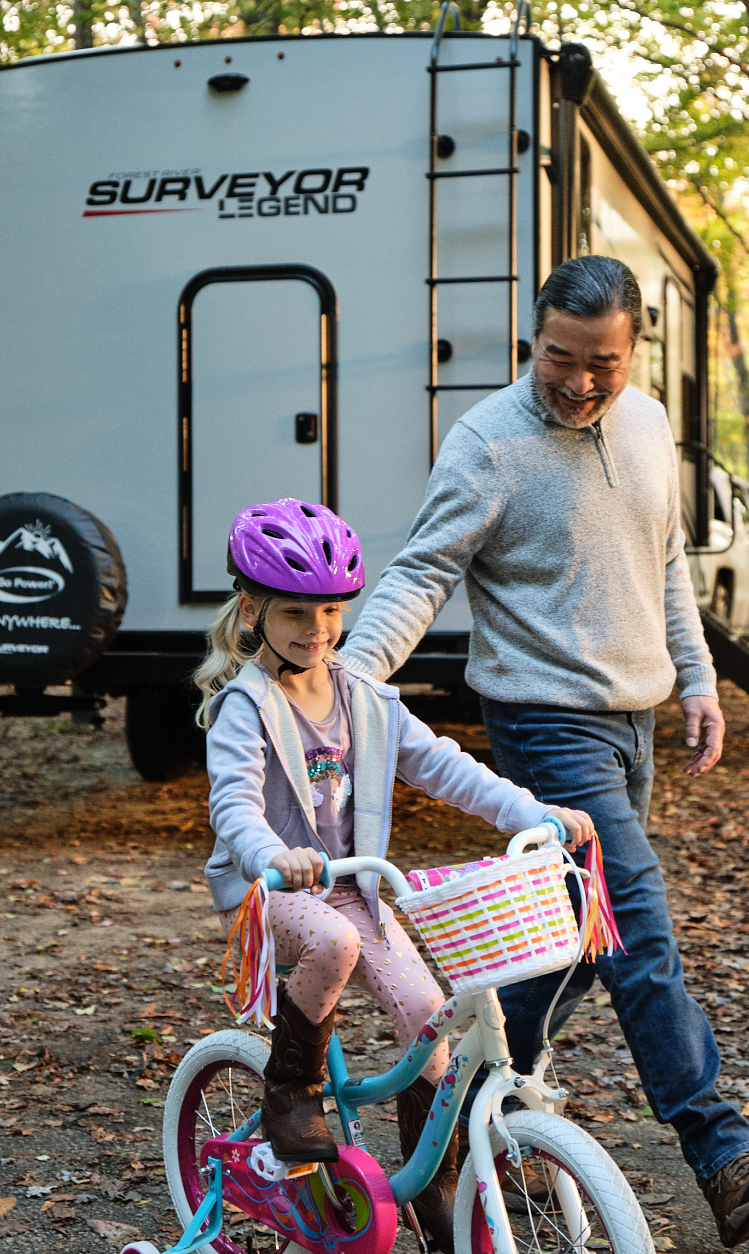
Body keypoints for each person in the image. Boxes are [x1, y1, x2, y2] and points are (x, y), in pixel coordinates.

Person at [340, 255, 749, 1247]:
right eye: (560, 356)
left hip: (630, 723)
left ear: (633, 349)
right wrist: (346, 684)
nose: (579, 381)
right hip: (547, 729)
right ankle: (719, 1152)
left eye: (603, 362)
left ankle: (438, 1114)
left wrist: (696, 678)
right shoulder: (488, 444)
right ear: (532, 337)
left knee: (569, 951)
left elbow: (665, 560)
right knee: (634, 927)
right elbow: (421, 570)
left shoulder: (642, 425)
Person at [199, 498, 593, 1250]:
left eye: (331, 613)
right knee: (333, 948)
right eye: (295, 614)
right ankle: (290, 1090)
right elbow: (235, 807)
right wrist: (271, 856)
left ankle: (428, 1190)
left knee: (431, 1021)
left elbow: (444, 766)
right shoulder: (244, 706)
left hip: (355, 887)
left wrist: (530, 812)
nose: (316, 631)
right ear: (252, 609)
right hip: (272, 891)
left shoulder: (368, 700)